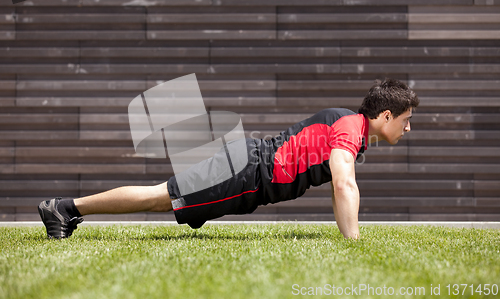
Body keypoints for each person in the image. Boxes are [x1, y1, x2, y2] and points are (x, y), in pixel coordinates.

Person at [38, 78, 419, 240]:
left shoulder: (351, 128)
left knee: (162, 198)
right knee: (159, 197)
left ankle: (66, 208)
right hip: (245, 172)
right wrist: (354, 241)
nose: (407, 129)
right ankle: (65, 207)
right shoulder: (350, 127)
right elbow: (343, 183)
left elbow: (341, 187)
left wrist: (348, 233)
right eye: (405, 121)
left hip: (246, 171)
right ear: (385, 115)